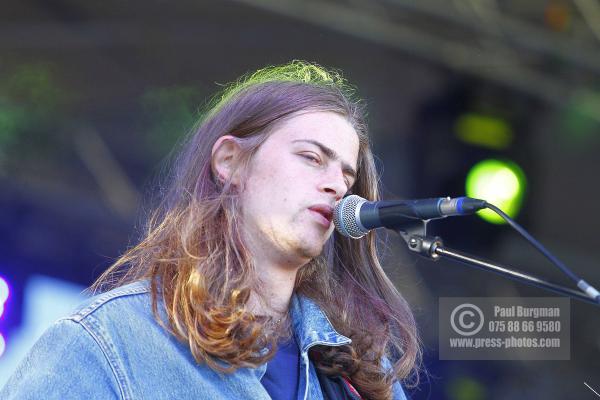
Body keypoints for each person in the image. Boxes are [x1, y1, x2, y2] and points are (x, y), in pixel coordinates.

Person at [1, 61, 420, 399]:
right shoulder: (109, 341)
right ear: (230, 162)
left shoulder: (362, 377)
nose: (336, 185)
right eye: (311, 157)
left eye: (346, 176)